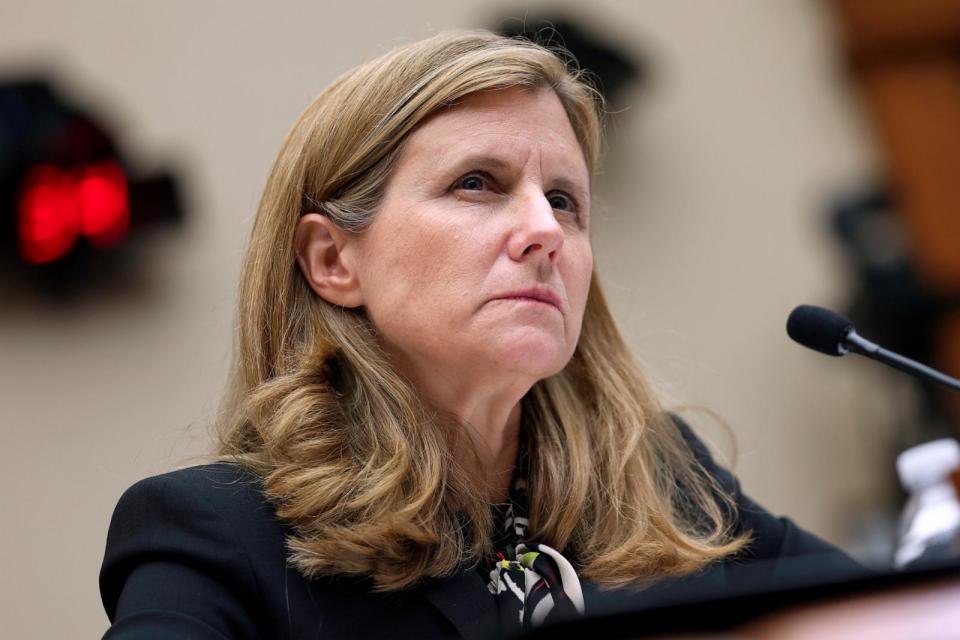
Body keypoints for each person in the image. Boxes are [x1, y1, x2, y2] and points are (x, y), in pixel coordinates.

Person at [99, 30, 861, 639]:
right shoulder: (217, 536)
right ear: (333, 261)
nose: (543, 231)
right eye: (478, 184)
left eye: (564, 200)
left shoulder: (661, 479)